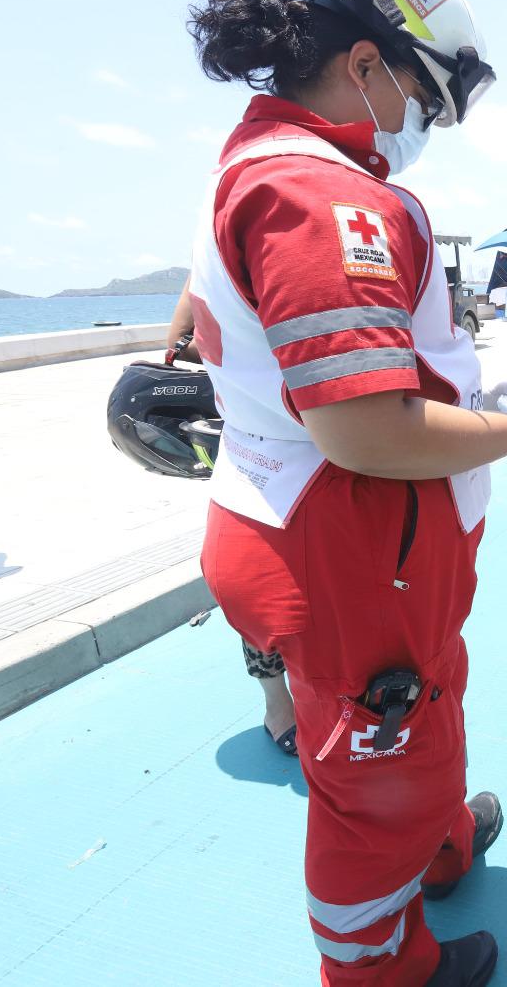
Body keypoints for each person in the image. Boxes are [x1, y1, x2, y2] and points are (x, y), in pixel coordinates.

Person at [185, 0, 507, 986]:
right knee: (376, 766)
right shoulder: (324, 198)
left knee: (418, 708)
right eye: (425, 98)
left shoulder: (258, 163)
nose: (426, 126)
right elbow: (366, 429)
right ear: (364, 65)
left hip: (345, 538)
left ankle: (435, 845)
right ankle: (378, 964)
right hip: (348, 542)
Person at [163, 287, 299, 757]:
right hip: (258, 460)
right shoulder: (219, 257)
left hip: (327, 449)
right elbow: (180, 341)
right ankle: (277, 705)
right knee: (258, 595)